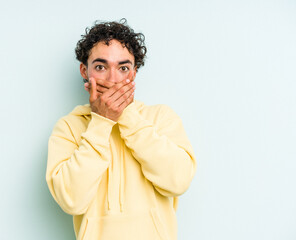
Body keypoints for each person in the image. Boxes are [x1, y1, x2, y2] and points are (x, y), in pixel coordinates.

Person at [45, 18, 197, 240]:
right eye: (100, 67)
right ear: (84, 71)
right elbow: (71, 200)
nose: (113, 79)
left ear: (133, 73)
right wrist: (101, 122)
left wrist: (126, 116)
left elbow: (179, 181)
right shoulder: (68, 127)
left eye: (123, 68)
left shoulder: (161, 117)